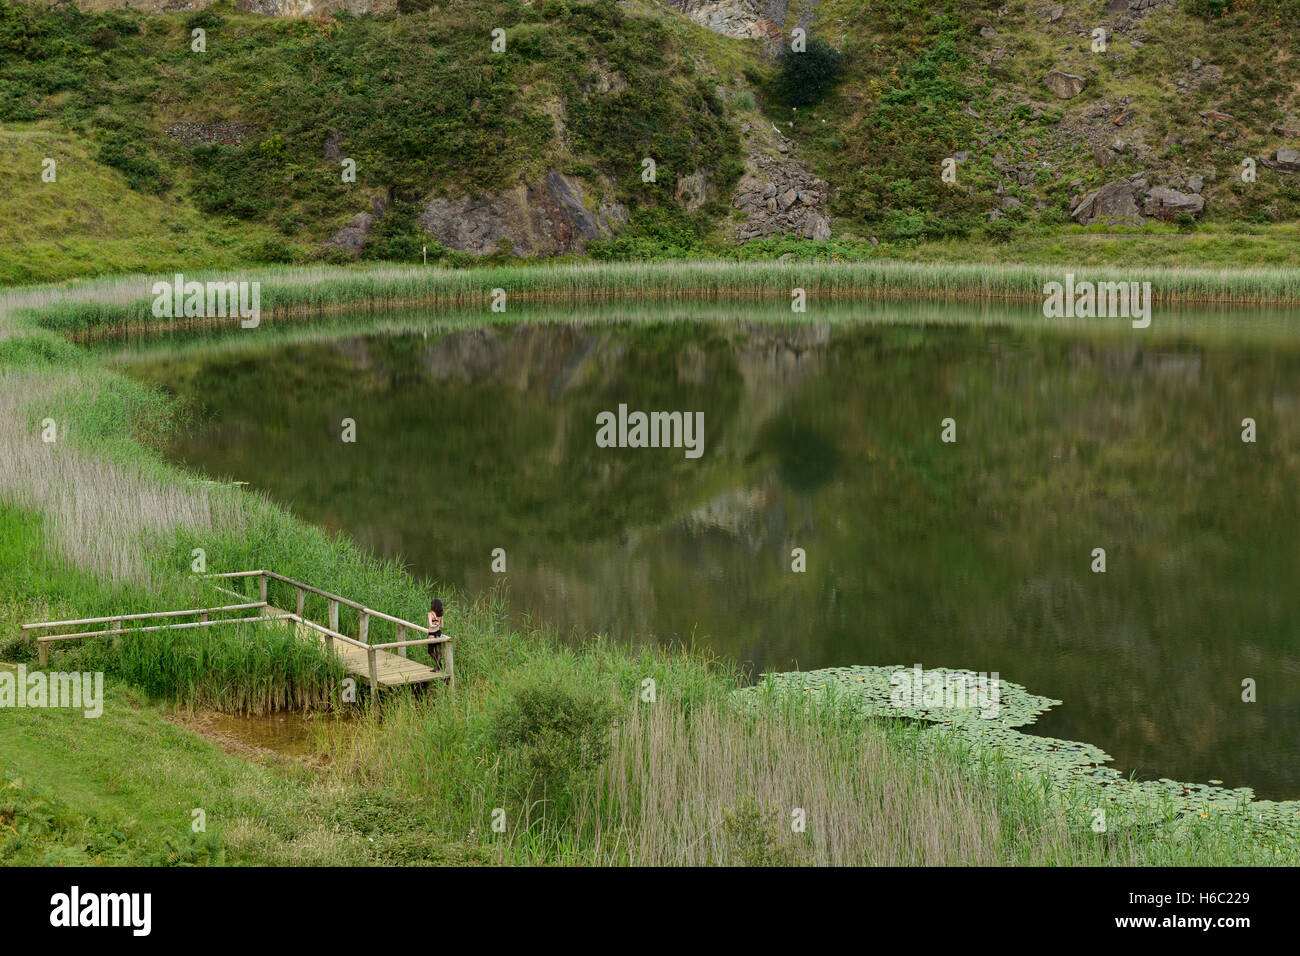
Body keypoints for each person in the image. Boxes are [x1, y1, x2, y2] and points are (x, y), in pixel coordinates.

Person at [427, 598, 445, 669]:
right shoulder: (441, 615)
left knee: (430, 651)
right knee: (438, 652)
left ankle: (438, 666)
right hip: (439, 633)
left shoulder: (430, 614)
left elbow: (431, 625)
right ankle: (438, 666)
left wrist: (435, 625)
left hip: (432, 634)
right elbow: (442, 626)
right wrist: (438, 624)